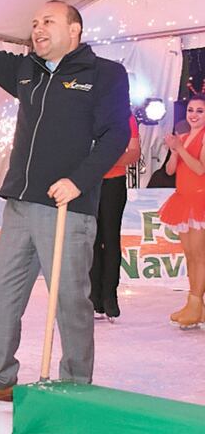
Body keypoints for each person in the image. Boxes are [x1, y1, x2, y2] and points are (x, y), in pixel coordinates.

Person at [0, 0, 130, 400]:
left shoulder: (105, 74)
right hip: (19, 204)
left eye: (48, 21)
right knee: (3, 293)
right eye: (34, 22)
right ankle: (0, 378)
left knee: (71, 302)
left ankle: (76, 386)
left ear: (74, 30)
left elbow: (115, 137)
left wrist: (78, 181)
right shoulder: (27, 71)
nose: (37, 28)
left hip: (67, 210)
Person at [158, 95, 205, 329]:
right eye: (190, 110)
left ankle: (196, 303)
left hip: (199, 199)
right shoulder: (183, 137)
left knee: (199, 255)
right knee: (189, 255)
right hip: (183, 199)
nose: (194, 115)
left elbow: (199, 168)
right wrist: (175, 150)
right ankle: (194, 304)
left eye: (199, 111)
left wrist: (181, 149)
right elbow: (169, 170)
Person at [90, 115, 140, 321]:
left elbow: (134, 153)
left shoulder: (126, 117)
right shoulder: (86, 110)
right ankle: (93, 298)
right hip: (87, 183)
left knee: (110, 239)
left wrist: (103, 160)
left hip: (113, 183)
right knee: (91, 240)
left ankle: (110, 296)